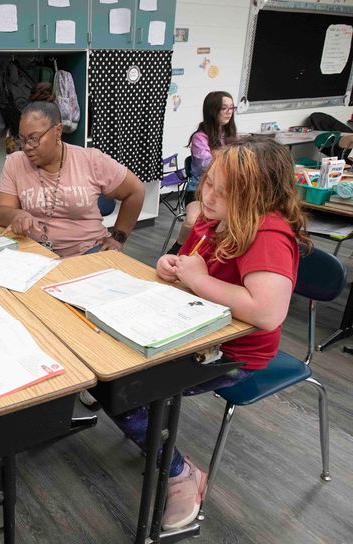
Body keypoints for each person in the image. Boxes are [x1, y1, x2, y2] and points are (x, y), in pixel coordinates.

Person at [115, 137, 311, 530]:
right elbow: (191, 263)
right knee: (114, 372)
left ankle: (180, 474)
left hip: (236, 355)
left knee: (125, 393)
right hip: (195, 330)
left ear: (259, 196)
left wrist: (198, 280)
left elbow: (268, 312)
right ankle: (157, 440)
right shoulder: (214, 219)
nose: (209, 196)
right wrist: (170, 265)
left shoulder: (268, 234)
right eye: (209, 183)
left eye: (224, 192)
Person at [0, 101, 145, 257]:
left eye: (34, 138)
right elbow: (0, 211)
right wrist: (16, 215)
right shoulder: (15, 162)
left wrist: (118, 238)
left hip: (88, 251)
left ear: (57, 131)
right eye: (22, 139)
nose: (27, 147)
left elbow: (135, 191)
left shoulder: (91, 160)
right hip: (35, 252)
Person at [168, 91, 238, 254]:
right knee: (191, 222)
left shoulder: (233, 137)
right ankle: (178, 249)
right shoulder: (200, 138)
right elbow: (207, 164)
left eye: (231, 108)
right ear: (213, 111)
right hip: (199, 191)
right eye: (224, 108)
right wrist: (229, 160)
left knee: (233, 224)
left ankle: (213, 255)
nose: (229, 112)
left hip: (226, 193)